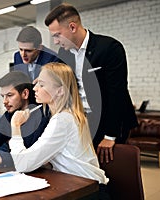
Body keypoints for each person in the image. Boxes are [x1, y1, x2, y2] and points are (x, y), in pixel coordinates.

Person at [0, 62, 108, 187]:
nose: (35, 88)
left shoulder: (62, 120)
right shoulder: (69, 115)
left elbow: (23, 164)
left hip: (87, 188)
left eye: (42, 85)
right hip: (77, 183)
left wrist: (15, 126)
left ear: (60, 91)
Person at [44, 3, 138, 163]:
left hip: (110, 120)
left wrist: (110, 135)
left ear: (72, 27)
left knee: (109, 169)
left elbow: (117, 92)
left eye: (57, 35)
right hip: (82, 119)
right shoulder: (64, 53)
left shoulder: (109, 48)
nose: (56, 41)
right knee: (83, 167)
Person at [0, 71, 50, 151]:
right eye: (3, 96)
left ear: (25, 93)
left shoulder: (43, 115)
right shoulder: (10, 114)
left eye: (9, 95)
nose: (4, 101)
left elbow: (30, 153)